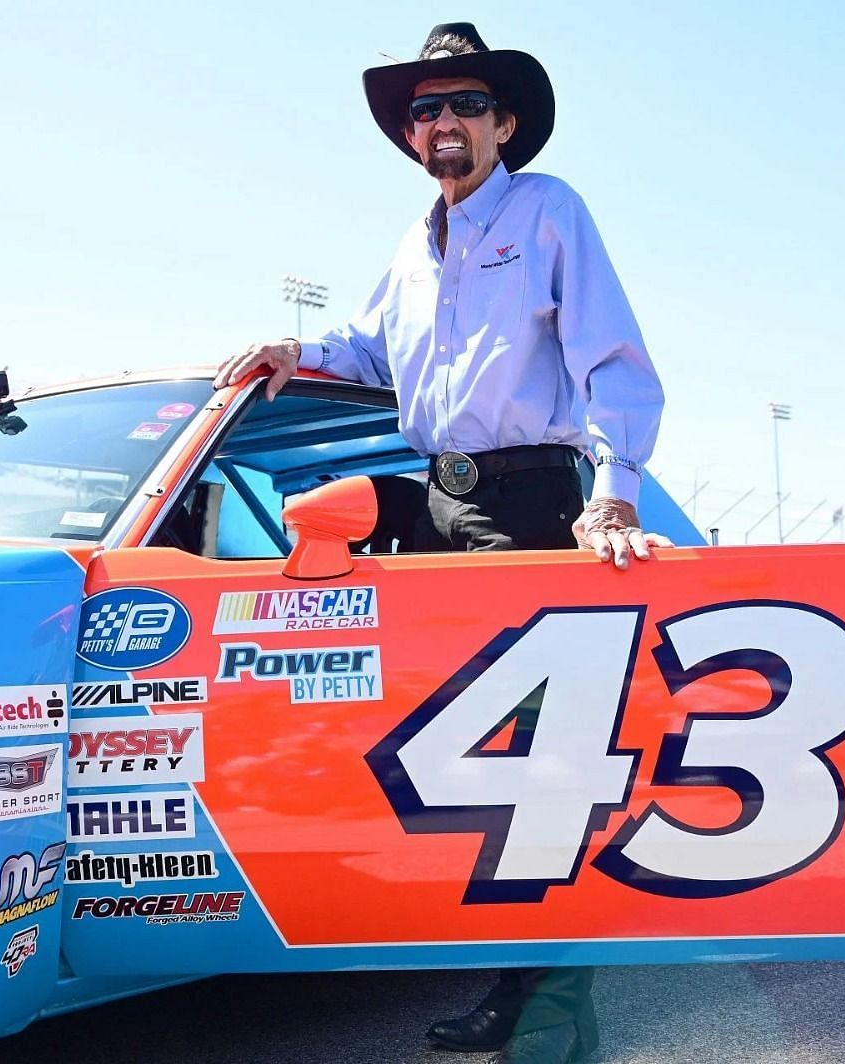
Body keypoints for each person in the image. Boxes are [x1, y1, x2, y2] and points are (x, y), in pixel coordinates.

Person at [215, 21, 668, 1064]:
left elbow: (613, 360)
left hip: (533, 504)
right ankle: (486, 964)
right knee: (447, 753)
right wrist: (298, 345)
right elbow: (371, 350)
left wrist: (617, 490)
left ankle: (548, 1017)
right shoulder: (412, 246)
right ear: (411, 135)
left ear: (504, 123)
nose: (445, 123)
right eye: (426, 110)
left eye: (465, 104)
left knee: (544, 769)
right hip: (439, 506)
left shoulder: (550, 211)